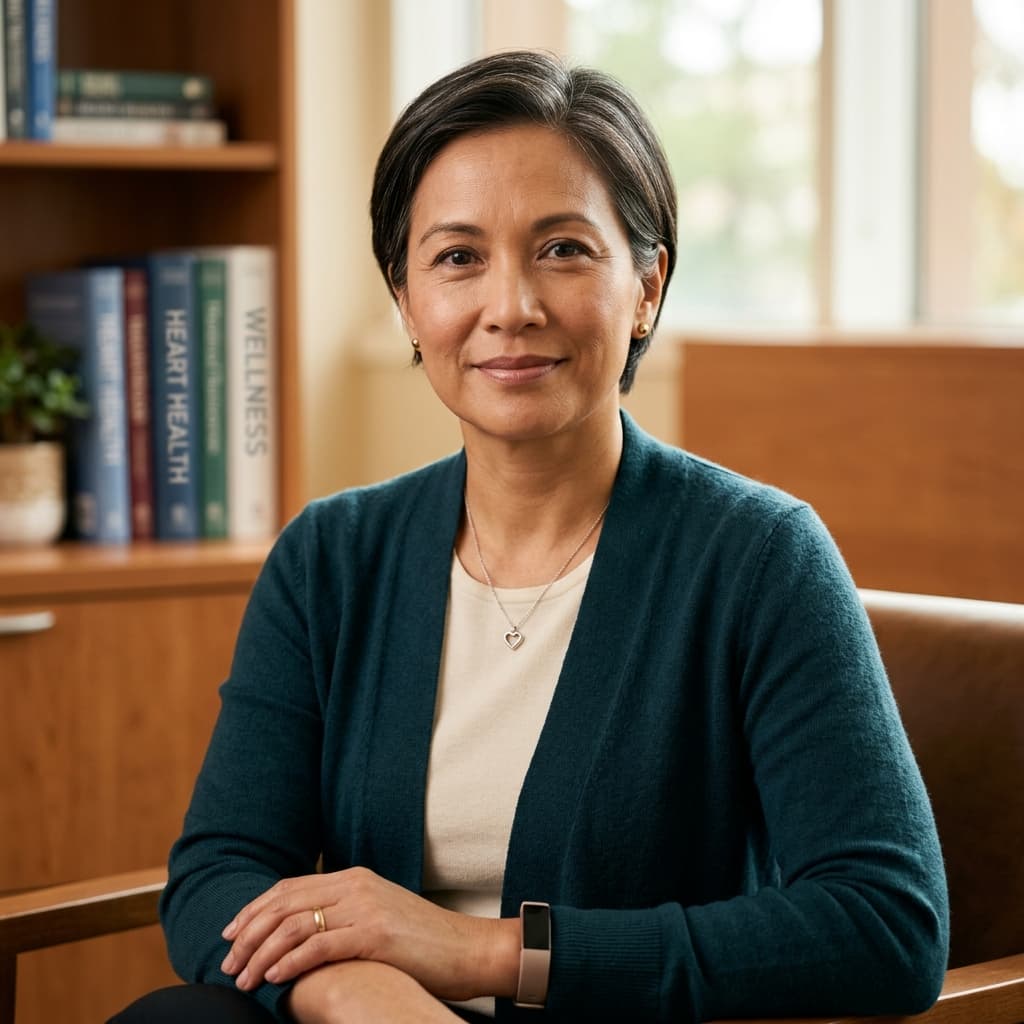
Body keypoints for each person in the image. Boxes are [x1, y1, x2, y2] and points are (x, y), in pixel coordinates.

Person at [111, 50, 948, 1024]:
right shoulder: (330, 557)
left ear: (645, 285)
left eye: (562, 249)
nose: (510, 306)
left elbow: (886, 924)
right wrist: (359, 986)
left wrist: (487, 952)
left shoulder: (760, 558)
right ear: (407, 302)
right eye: (458, 256)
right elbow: (218, 873)